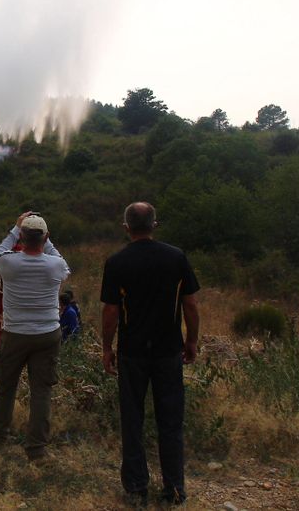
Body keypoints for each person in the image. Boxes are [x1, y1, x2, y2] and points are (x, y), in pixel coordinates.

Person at [101, 202, 200, 506]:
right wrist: (191, 341)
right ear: (155, 225)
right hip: (168, 350)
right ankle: (173, 488)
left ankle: (136, 487)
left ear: (126, 227)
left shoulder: (117, 262)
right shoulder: (176, 257)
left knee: (132, 419)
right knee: (170, 420)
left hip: (132, 352)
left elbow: (111, 312)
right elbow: (191, 305)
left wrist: (107, 347)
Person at [0, 212, 70, 463]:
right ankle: (36, 450)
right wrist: (45, 239)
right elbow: (61, 260)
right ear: (45, 237)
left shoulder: (9, 263)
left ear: (21, 238)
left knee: (6, 386)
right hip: (47, 334)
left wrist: (15, 228)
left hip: (15, 334)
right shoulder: (55, 265)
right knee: (41, 392)